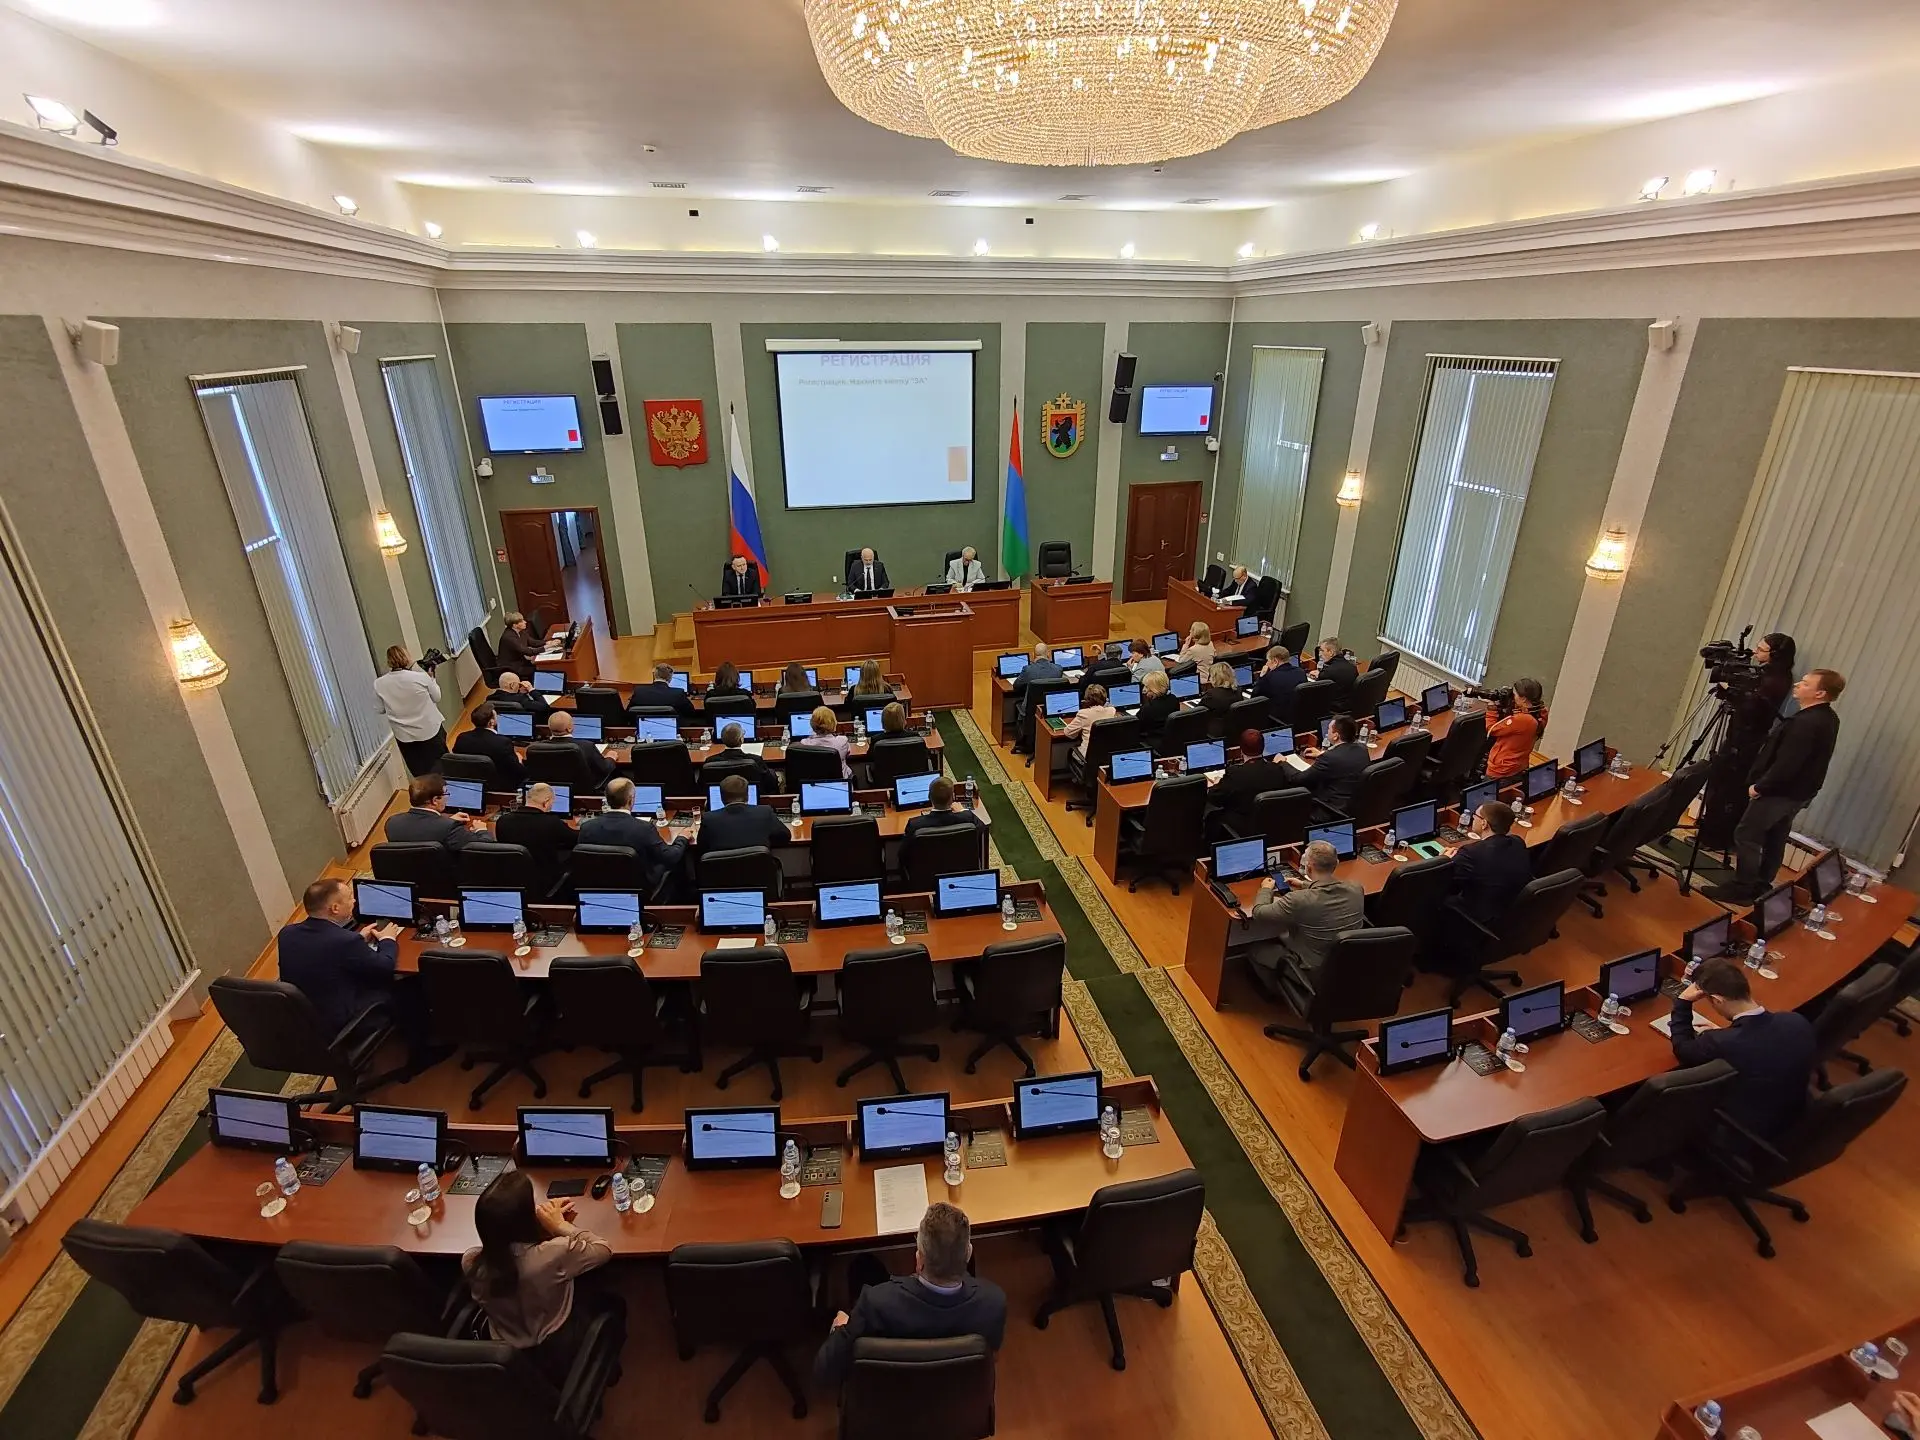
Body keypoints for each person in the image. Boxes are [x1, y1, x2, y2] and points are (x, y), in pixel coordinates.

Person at [814, 1202, 1006, 1390]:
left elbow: (824, 1370)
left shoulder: (875, 1303)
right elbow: (990, 1357)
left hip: (894, 1392)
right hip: (953, 1395)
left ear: (919, 1260)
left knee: (864, 1266)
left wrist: (840, 1328)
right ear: (968, 1254)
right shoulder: (994, 1302)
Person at [463, 1169, 622, 1385]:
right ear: (525, 1219)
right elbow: (603, 1249)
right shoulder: (552, 1254)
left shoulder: (471, 1263)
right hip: (560, 1342)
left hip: (508, 1352)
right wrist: (559, 1225)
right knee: (613, 1299)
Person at [1709, 668, 1844, 902]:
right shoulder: (1828, 718)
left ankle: (1743, 887)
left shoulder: (1806, 723)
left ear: (1820, 693)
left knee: (1747, 833)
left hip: (1779, 792)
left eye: (1806, 683)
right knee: (1775, 837)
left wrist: (1760, 787)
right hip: (1798, 793)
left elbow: (1788, 763)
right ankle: (1761, 883)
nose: (1798, 685)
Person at [1667, 957, 1817, 1141]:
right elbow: (1761, 1040)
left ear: (1717, 1000)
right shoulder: (1795, 1020)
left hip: (1749, 1129)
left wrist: (1682, 1002)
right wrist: (1729, 1033)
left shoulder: (1723, 1042)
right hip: (1794, 1113)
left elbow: (1683, 1049)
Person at [276, 876, 414, 1044]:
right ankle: (419, 1049)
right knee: (409, 986)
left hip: (305, 1019)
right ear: (335, 908)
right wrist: (388, 939)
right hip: (343, 1022)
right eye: (349, 897)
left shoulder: (287, 934)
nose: (354, 901)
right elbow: (384, 966)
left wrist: (357, 939)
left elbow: (324, 953)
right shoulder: (344, 941)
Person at [1700, 633, 1797, 851]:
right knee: (1721, 783)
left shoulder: (1775, 680)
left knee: (1726, 788)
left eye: (1761, 649)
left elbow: (1752, 708)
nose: (1755, 652)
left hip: (1746, 741)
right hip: (1741, 735)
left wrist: (1729, 689)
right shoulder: (1767, 675)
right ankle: (1712, 832)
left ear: (1775, 654)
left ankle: (1715, 838)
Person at [1242, 839, 1367, 991]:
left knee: (1256, 949)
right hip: (1347, 964)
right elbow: (1328, 889)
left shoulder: (1299, 900)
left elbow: (1259, 913)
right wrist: (1304, 884)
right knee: (1284, 934)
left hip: (1313, 971)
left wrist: (1266, 889)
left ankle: (1279, 992)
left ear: (1308, 867)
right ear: (1337, 863)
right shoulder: (1356, 888)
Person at [578, 778, 688, 893]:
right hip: (640, 887)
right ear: (631, 800)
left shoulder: (586, 828)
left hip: (600, 885)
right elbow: (670, 857)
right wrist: (682, 838)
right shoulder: (644, 828)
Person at [1448, 801, 1532, 924]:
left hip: (1483, 918)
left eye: (1475, 816)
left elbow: (1446, 882)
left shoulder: (1471, 853)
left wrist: (1444, 859)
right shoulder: (1518, 842)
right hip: (1512, 913)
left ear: (1484, 823)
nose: (1473, 819)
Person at [495, 782, 577, 899]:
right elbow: (575, 839)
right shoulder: (552, 823)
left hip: (512, 879)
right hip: (545, 882)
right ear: (546, 802)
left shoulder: (502, 821)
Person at [373, 645, 447, 776]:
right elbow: (437, 697)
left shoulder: (379, 684)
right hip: (429, 731)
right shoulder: (421, 677)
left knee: (419, 772)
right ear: (406, 657)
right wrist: (432, 678)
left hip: (404, 736)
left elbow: (379, 709)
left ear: (389, 661)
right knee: (442, 767)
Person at [1206, 730, 1288, 834]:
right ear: (1263, 747)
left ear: (1241, 750)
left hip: (1244, 826)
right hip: (1272, 824)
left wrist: (1217, 784)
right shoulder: (1277, 769)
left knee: (1211, 814)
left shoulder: (1235, 773)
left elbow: (1214, 798)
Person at [385, 774, 485, 848]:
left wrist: (448, 821)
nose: (447, 797)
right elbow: (482, 846)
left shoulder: (392, 823)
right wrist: (481, 830)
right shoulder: (449, 828)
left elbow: (423, 829)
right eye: (446, 793)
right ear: (435, 800)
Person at [1298, 714, 1370, 816]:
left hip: (1331, 810)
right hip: (1354, 806)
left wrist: (1282, 762)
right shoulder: (1362, 749)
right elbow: (1343, 758)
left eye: (1328, 729)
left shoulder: (1329, 757)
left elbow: (1300, 779)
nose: (1327, 732)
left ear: (1336, 736)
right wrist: (1322, 754)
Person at [697, 773, 790, 851]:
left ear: (721, 798)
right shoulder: (765, 812)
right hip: (759, 867)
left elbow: (702, 847)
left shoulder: (709, 819)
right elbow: (785, 836)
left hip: (722, 867)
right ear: (747, 796)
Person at [1483, 678, 1546, 782]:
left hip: (1502, 770)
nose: (1512, 697)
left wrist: (1491, 709)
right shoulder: (1541, 713)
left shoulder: (1522, 719)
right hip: (1519, 766)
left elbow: (1492, 730)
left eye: (1514, 694)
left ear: (1524, 699)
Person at [453, 703, 526, 788]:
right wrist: (519, 761)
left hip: (472, 783)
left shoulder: (462, 738)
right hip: (500, 786)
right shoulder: (502, 743)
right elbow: (518, 771)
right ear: (491, 722)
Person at [539, 710, 615, 788]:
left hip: (549, 789)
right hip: (583, 789)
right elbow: (604, 769)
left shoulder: (538, 747)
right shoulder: (587, 746)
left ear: (549, 727)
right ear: (569, 728)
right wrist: (610, 758)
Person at [903, 776, 986, 842]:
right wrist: (962, 811)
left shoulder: (914, 824)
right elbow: (981, 828)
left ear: (929, 797)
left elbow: (903, 854)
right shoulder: (967, 817)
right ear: (953, 797)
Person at [701, 722, 776, 793]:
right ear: (741, 739)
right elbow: (770, 784)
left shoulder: (710, 761)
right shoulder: (755, 759)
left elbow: (701, 786)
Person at [627, 662, 697, 725]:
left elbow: (628, 712)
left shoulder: (639, 691)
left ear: (654, 675)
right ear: (670, 678)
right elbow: (691, 713)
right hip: (671, 728)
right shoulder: (678, 693)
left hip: (643, 729)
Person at [1060, 683, 1117, 758]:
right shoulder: (1112, 710)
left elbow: (1068, 733)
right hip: (1106, 755)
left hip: (1087, 756)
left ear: (1087, 699)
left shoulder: (1083, 714)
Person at [794, 705, 852, 779]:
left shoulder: (804, 744)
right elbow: (847, 754)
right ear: (834, 722)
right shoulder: (842, 741)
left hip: (812, 781)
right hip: (838, 782)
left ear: (812, 724)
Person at [1252, 645, 1305, 724]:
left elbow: (1254, 698)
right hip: (1299, 717)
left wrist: (1261, 677)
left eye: (1268, 660)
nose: (1266, 664)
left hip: (1277, 720)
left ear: (1275, 661)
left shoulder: (1269, 677)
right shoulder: (1301, 672)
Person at [487, 670, 552, 722]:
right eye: (518, 684)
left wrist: (520, 693)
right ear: (512, 685)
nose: (519, 687)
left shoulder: (490, 699)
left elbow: (508, 696)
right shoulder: (521, 699)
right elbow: (545, 707)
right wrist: (531, 690)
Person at [1135, 668, 1178, 740]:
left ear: (1154, 688)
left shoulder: (1148, 708)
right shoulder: (1174, 699)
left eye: (1146, 687)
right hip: (1171, 738)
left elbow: (1137, 727)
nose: (1143, 690)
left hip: (1152, 740)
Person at [1196, 662, 1239, 733]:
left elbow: (1197, 713)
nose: (1209, 679)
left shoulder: (1211, 695)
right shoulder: (1238, 691)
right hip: (1234, 728)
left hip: (1217, 730)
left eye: (1210, 676)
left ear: (1215, 678)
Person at [496, 611, 539, 679]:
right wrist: (545, 648)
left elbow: (533, 642)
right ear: (515, 625)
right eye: (521, 621)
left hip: (520, 662)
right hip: (511, 668)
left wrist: (548, 642)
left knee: (539, 665)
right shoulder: (509, 637)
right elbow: (527, 651)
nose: (525, 622)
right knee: (539, 669)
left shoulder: (520, 632)